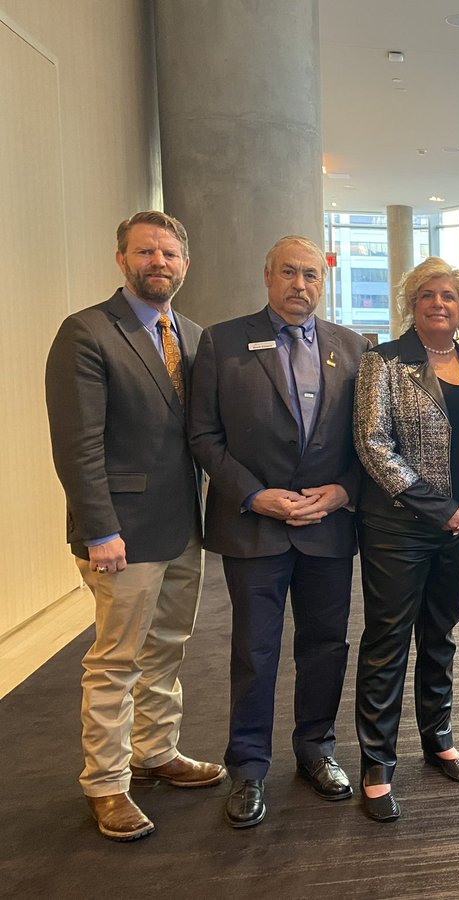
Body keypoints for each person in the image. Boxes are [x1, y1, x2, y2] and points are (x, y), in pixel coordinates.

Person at [45, 210, 225, 842]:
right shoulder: (87, 333)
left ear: (184, 264)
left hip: (183, 527)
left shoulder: (195, 335)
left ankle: (156, 751)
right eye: (147, 251)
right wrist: (99, 530)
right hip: (120, 532)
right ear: (121, 258)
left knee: (168, 648)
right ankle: (106, 782)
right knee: (115, 659)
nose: (160, 262)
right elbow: (77, 445)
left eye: (170, 254)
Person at [188, 235, 370, 829]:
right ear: (267, 276)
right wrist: (253, 494)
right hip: (254, 527)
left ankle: (316, 748)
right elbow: (203, 436)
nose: (300, 285)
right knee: (255, 651)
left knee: (326, 646)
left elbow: (368, 440)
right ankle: (247, 766)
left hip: (326, 526)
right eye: (288, 272)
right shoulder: (222, 341)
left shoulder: (354, 347)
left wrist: (344, 490)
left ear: (325, 281)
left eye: (311, 275)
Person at [352, 258, 459, 822]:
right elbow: (373, 444)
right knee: (388, 641)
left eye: (450, 297)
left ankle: (438, 737)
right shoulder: (383, 362)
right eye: (428, 296)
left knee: (441, 633)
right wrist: (440, 509)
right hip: (399, 527)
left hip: (457, 527)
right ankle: (377, 762)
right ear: (411, 306)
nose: (440, 304)